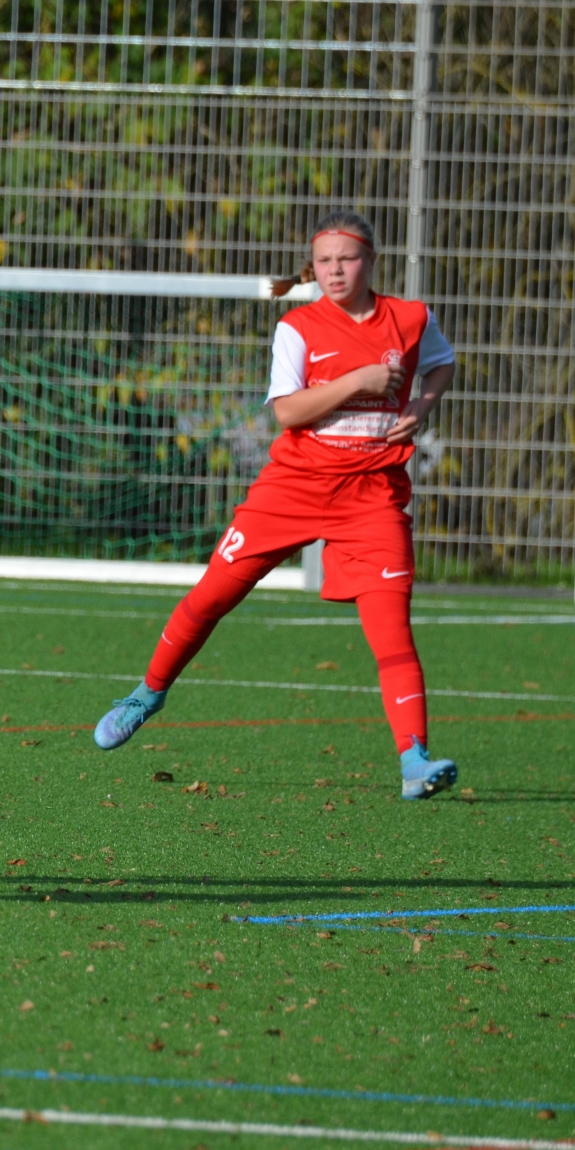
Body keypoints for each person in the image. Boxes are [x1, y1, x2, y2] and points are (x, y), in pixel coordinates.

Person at [93, 210, 460, 800]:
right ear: (312, 267)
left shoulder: (412, 318)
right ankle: (147, 695)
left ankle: (414, 761)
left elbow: (442, 361)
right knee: (210, 597)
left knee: (392, 631)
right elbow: (287, 412)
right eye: (324, 261)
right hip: (292, 490)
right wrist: (358, 381)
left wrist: (423, 405)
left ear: (371, 260)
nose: (335, 270)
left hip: (373, 498)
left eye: (347, 259)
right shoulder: (299, 326)